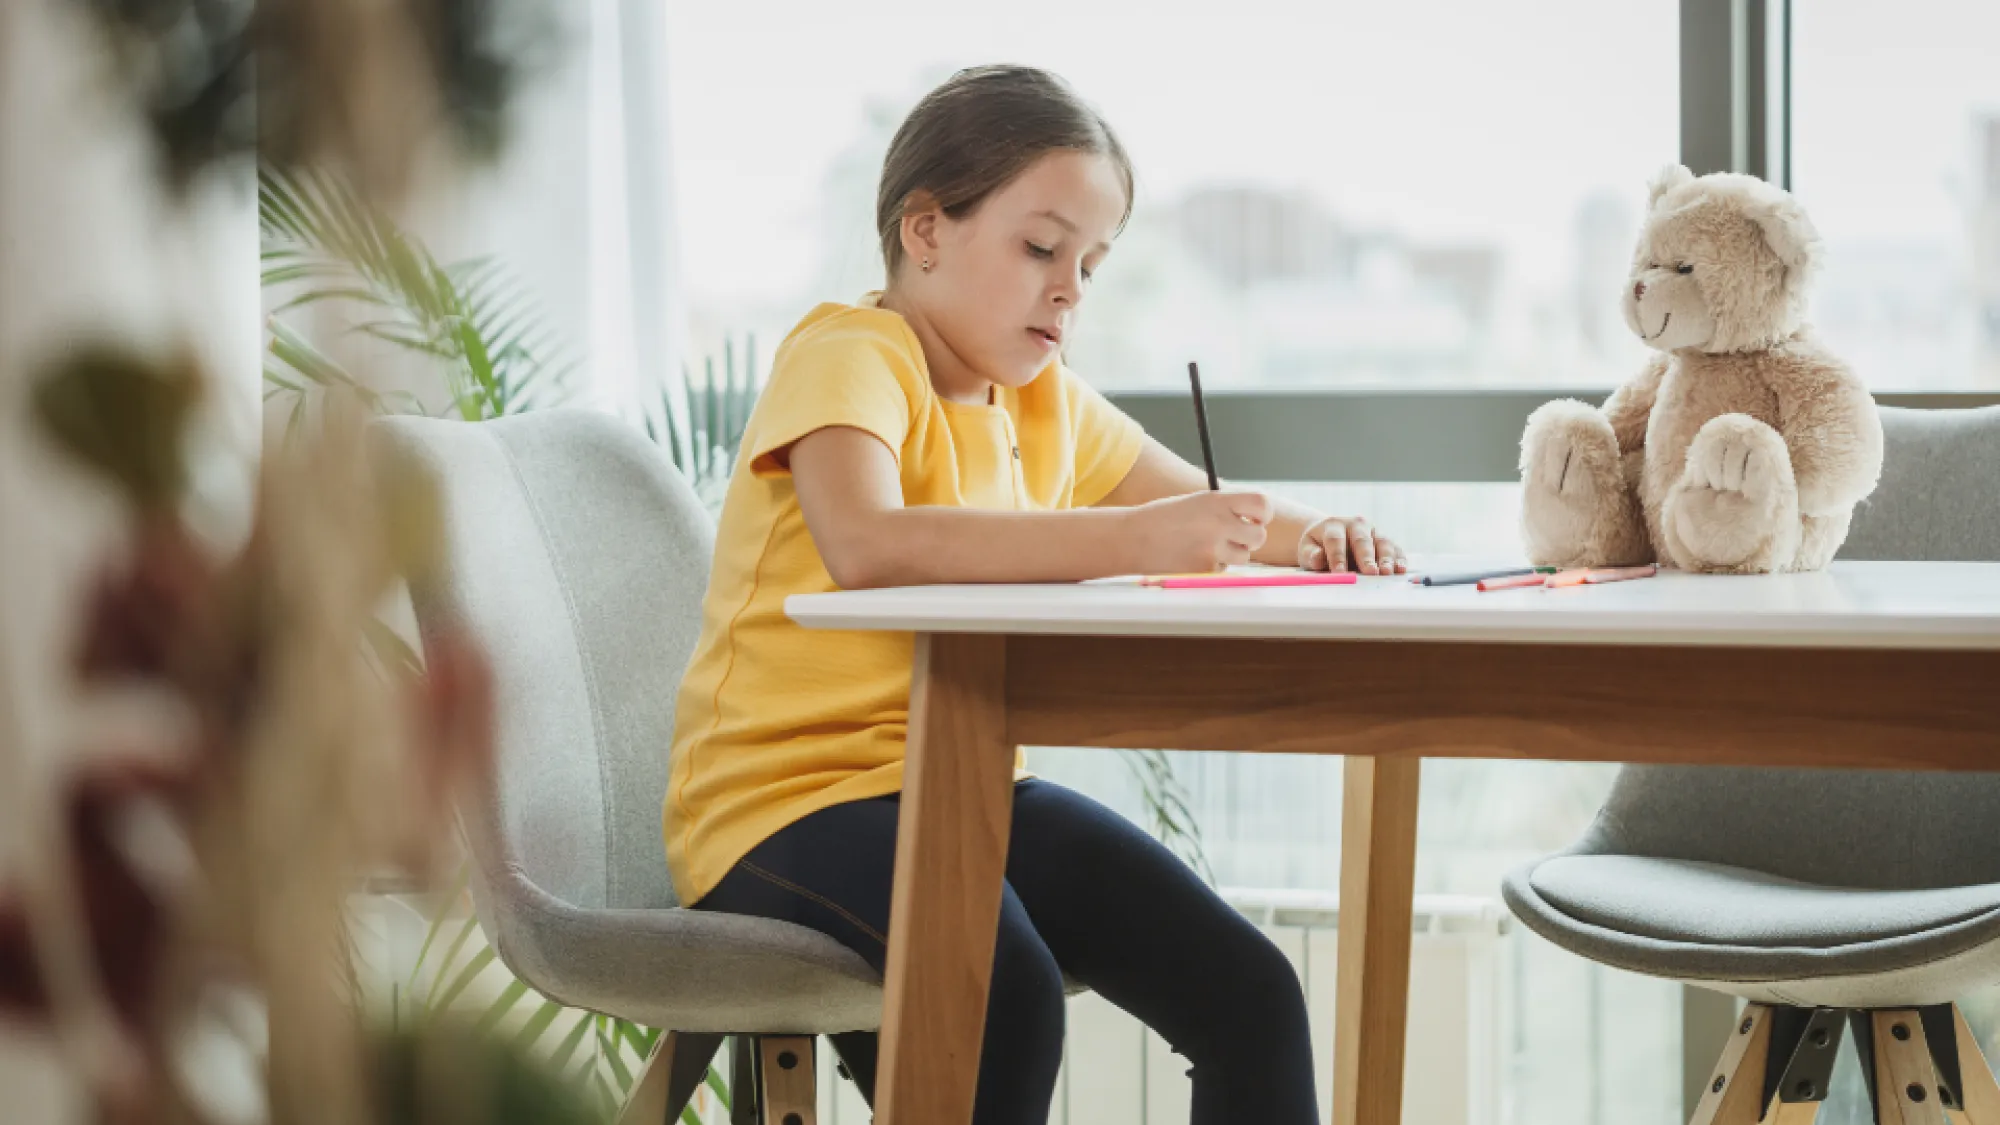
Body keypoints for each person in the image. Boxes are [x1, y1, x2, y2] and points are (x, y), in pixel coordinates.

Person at [665, 64, 1406, 1124]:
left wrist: (1318, 537)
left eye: (1091, 265)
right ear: (925, 231)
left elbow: (1211, 511)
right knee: (999, 995)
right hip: (781, 808)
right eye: (1039, 247)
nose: (1068, 289)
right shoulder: (851, 352)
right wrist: (1131, 538)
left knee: (1248, 992)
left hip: (960, 787)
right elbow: (866, 543)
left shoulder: (1042, 400)